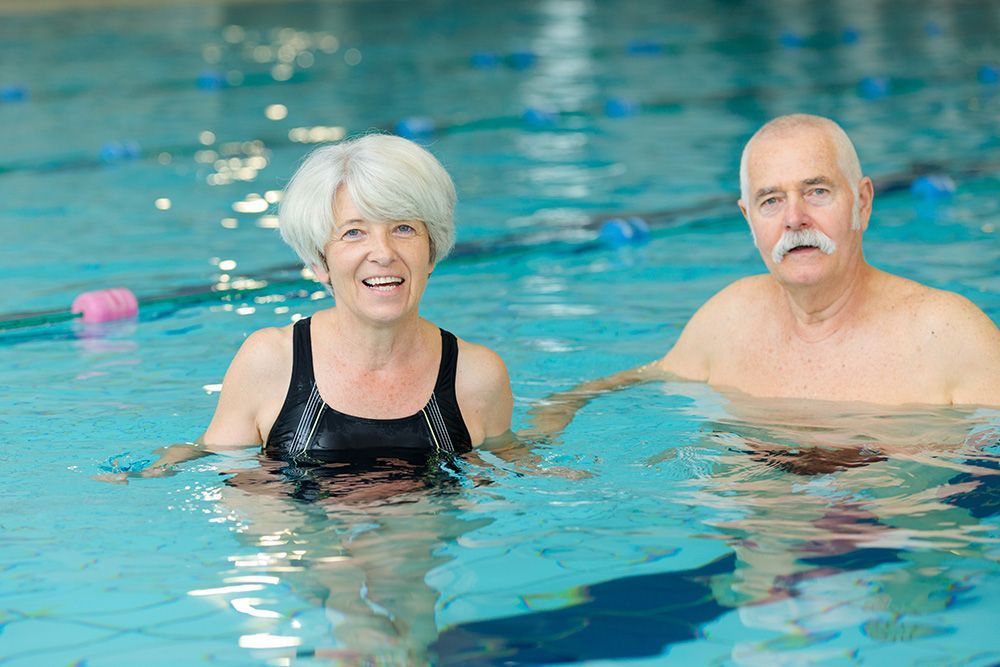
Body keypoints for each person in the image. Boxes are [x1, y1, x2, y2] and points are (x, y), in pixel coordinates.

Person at [532, 114, 1000, 434]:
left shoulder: (947, 334)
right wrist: (556, 414)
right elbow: (643, 377)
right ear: (748, 220)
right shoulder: (731, 318)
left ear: (862, 202)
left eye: (816, 191)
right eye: (771, 201)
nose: (794, 219)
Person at [203, 133, 513, 456]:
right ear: (319, 263)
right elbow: (224, 475)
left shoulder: (477, 377)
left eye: (403, 228)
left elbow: (499, 482)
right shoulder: (270, 362)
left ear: (431, 252)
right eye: (354, 232)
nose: (383, 253)